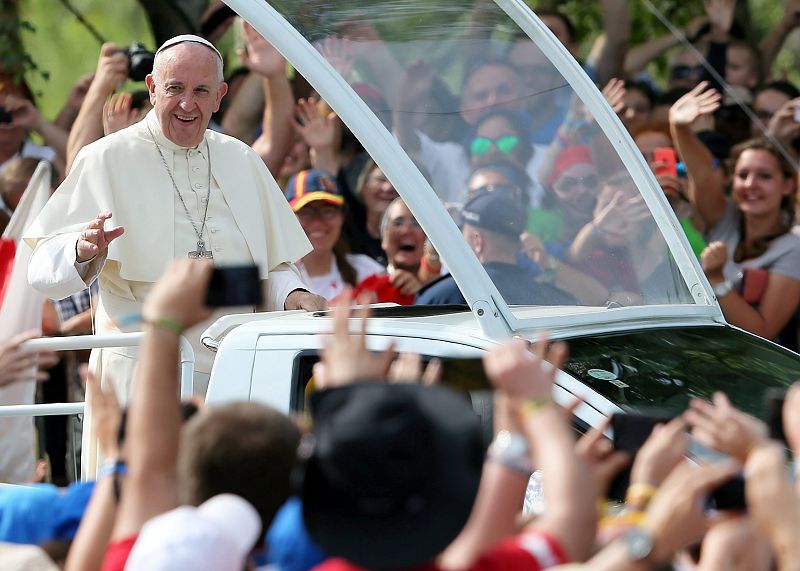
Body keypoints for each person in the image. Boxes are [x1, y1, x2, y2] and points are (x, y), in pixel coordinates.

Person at [23, 35, 324, 478]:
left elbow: (272, 264)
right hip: (143, 375)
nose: (187, 103)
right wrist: (81, 250)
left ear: (220, 96)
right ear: (151, 88)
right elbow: (40, 270)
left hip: (236, 372)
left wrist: (295, 294)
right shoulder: (106, 158)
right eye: (175, 88)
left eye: (201, 91)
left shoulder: (241, 160)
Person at [670, 83, 800, 351]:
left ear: (788, 185)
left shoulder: (793, 247)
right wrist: (679, 127)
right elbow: (702, 174)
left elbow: (763, 333)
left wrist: (717, 279)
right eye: (743, 175)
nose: (750, 184)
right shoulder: (725, 218)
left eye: (764, 176)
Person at [416, 190, 574, 306]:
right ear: (519, 242)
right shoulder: (552, 299)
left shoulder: (442, 296)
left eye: (463, 235)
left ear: (478, 242)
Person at [286, 169, 383, 301]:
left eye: (328, 211)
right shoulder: (281, 280)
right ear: (288, 218)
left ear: (342, 217)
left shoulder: (365, 271)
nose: (318, 221)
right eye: (306, 212)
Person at [352, 198, 435, 305]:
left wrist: (423, 293)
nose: (406, 231)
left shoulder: (449, 284)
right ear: (384, 238)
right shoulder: (368, 290)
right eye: (398, 223)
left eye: (416, 223)